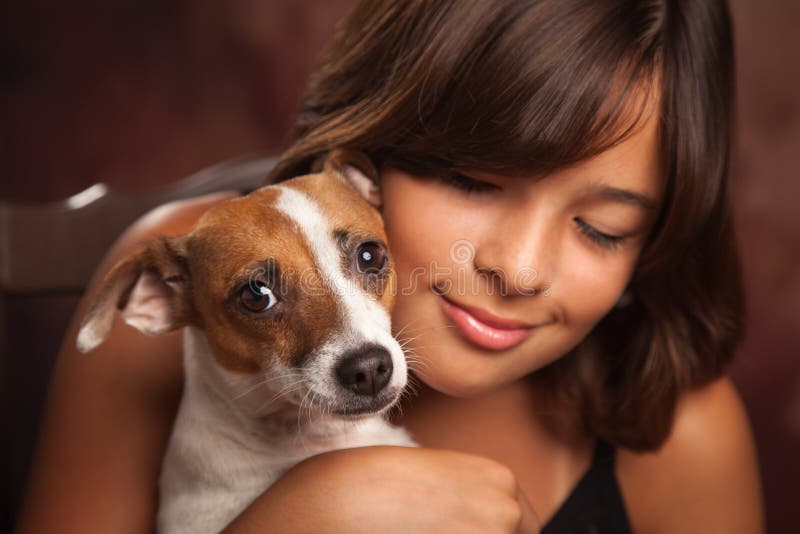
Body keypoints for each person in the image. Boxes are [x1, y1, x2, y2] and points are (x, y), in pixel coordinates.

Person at [16, 0, 764, 532]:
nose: (520, 269)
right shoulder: (176, 278)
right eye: (473, 181)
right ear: (369, 157)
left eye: (603, 229)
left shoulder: (683, 432)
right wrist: (301, 519)